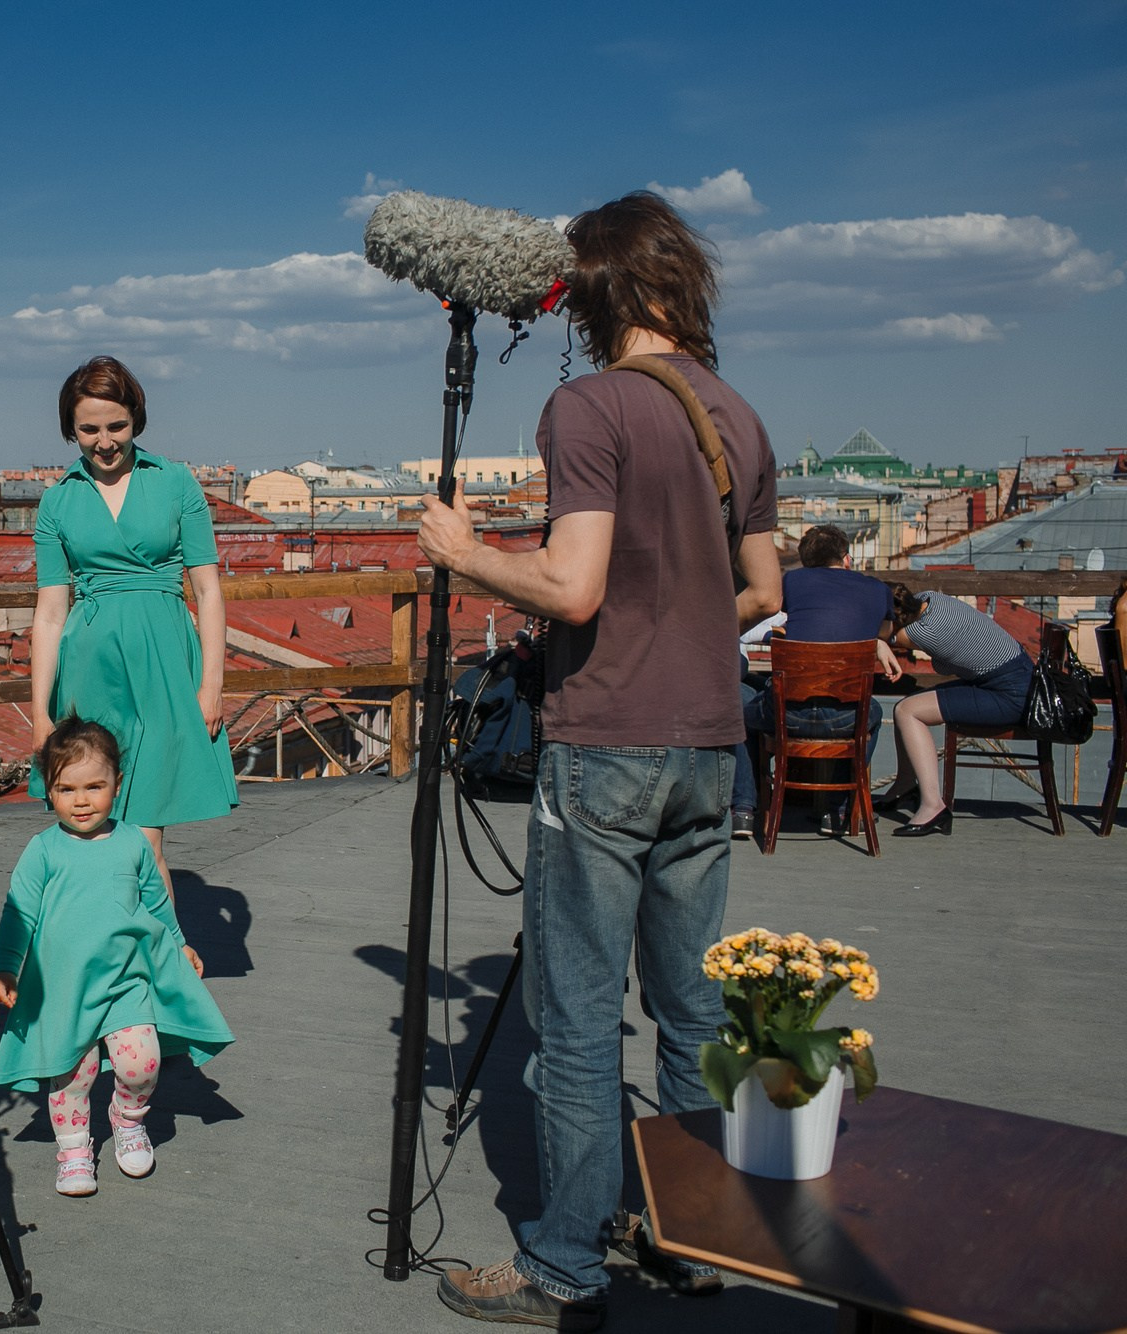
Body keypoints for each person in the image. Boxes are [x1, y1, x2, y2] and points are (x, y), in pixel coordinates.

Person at [416, 192, 782, 1329]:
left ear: (592, 293)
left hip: (609, 742)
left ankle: (563, 1263)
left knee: (577, 1024)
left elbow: (571, 588)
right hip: (709, 745)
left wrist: (465, 552)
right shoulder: (737, 416)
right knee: (691, 1011)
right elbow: (762, 591)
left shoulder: (588, 406)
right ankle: (692, 1240)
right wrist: (674, 624)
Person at [0, 717, 232, 1196]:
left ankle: (128, 1118)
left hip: (126, 981)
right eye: (66, 789)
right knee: (72, 1075)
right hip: (63, 988)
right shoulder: (43, 850)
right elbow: (18, 912)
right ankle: (74, 1150)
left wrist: (179, 942)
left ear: (117, 785)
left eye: (94, 787)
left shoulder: (132, 842)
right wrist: (5, 969)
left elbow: (155, 902)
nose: (81, 801)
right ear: (49, 791)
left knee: (142, 1064)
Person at [28, 356, 238, 916]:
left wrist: (211, 685)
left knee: (144, 839)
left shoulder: (175, 482)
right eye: (89, 429)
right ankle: (116, 949)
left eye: (116, 426)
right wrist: (40, 714)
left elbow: (208, 592)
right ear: (70, 429)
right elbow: (50, 612)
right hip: (90, 669)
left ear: (136, 418)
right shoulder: (57, 499)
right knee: (96, 832)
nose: (104, 442)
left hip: (165, 668)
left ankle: (162, 955)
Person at [730, 524, 903, 839]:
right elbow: (883, 632)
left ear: (805, 561)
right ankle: (839, 809)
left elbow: (786, 617)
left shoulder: (793, 581)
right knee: (873, 714)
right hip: (845, 719)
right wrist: (877, 643)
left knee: (739, 711)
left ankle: (743, 809)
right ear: (846, 558)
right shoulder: (878, 590)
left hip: (786, 715)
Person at [874, 582, 1033, 837]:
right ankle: (905, 786)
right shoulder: (930, 599)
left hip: (1010, 695)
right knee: (907, 705)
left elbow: (881, 637)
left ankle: (933, 806)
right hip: (1016, 677)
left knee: (908, 711)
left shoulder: (924, 633)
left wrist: (878, 641)